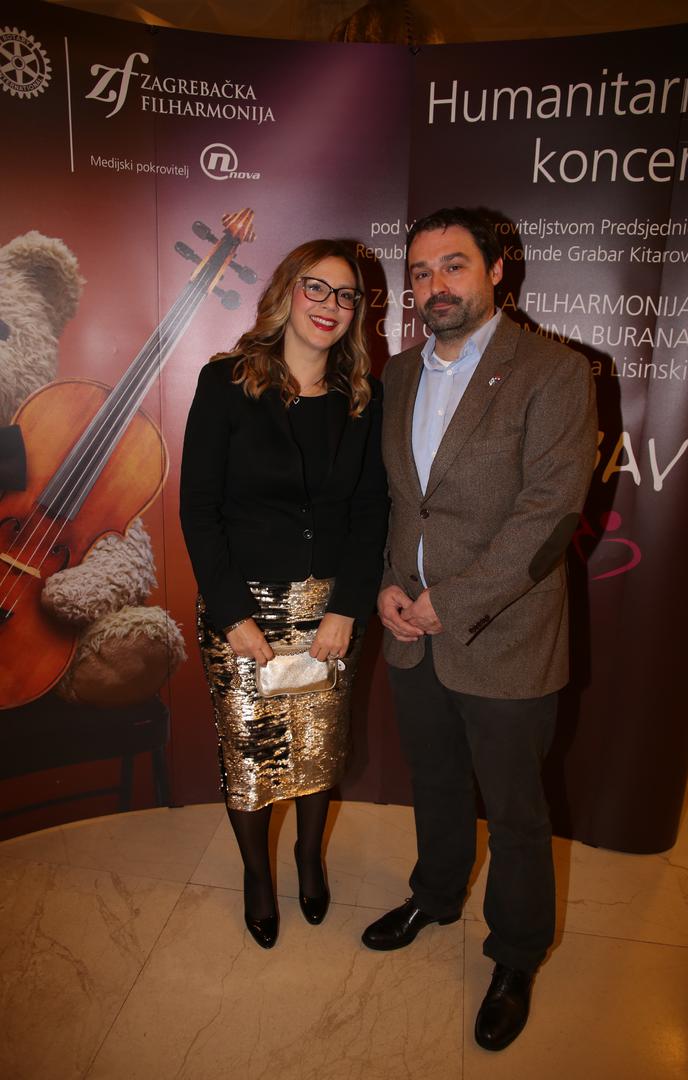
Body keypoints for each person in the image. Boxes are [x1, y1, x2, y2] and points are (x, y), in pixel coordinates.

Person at [361, 207, 597, 1050]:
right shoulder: (395, 375)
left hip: (504, 638)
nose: (435, 286)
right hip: (410, 631)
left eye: (453, 266)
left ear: (496, 271)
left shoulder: (552, 372)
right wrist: (387, 586)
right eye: (421, 272)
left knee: (515, 809)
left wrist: (451, 601)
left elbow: (548, 514)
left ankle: (516, 954)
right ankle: (433, 895)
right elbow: (395, 503)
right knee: (435, 783)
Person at [180, 239, 388, 950]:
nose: (331, 305)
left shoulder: (362, 398)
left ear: (356, 312)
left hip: (328, 612)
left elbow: (370, 512)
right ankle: (257, 876)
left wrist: (346, 608)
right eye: (316, 288)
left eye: (346, 295)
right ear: (286, 293)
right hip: (243, 610)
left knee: (318, 748)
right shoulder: (227, 382)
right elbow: (198, 507)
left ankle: (307, 857)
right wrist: (232, 614)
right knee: (251, 754)